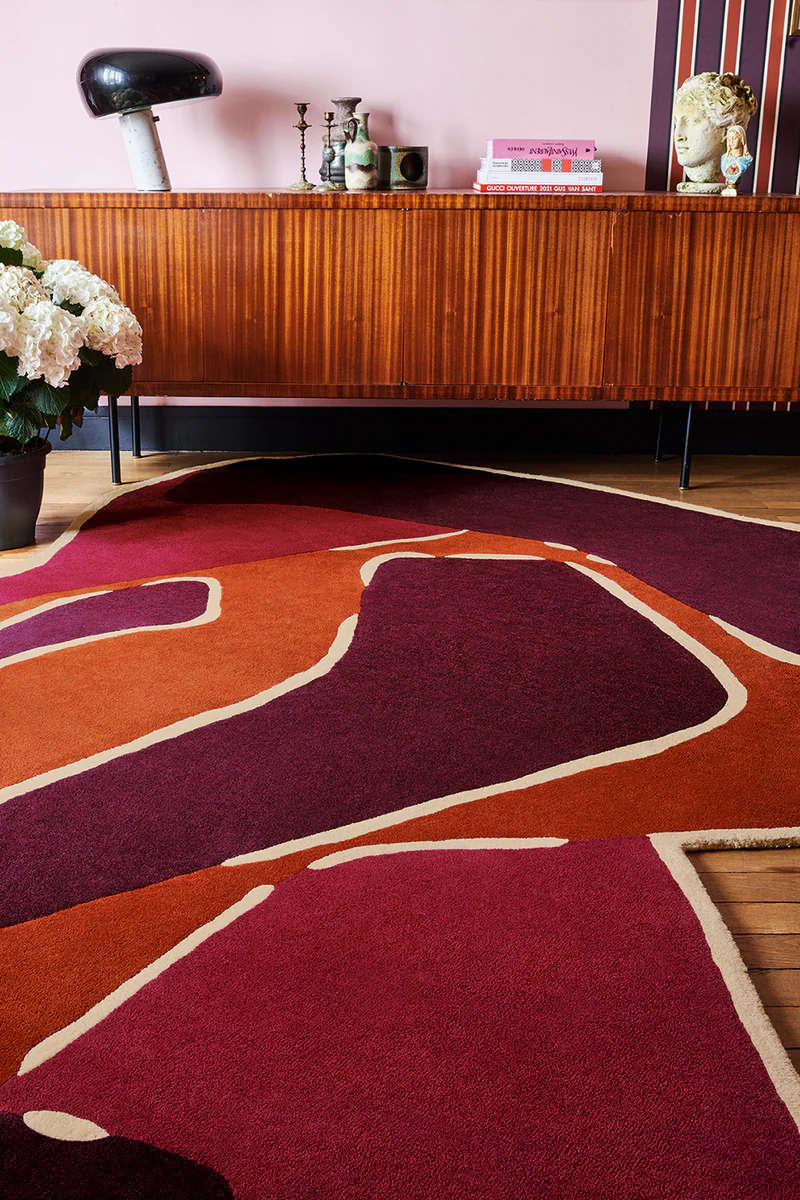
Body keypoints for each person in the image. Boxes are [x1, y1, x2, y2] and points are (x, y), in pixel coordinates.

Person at [672, 73, 758, 193]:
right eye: (676, 123)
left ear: (725, 129)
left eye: (691, 121)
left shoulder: (740, 163)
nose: (678, 136)